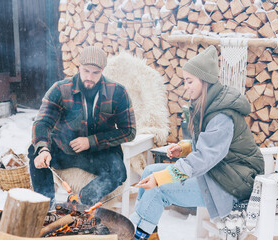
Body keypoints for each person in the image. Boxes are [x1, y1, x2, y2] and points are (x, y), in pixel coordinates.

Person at [130, 45, 264, 240]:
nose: (185, 86)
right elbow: (213, 145)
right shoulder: (209, 104)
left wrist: (163, 179)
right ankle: (148, 232)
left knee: (158, 187)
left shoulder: (221, 115)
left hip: (231, 184)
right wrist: (185, 148)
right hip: (219, 173)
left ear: (204, 81)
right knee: (149, 172)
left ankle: (138, 235)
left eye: (189, 81)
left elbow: (205, 157)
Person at [28, 46, 136, 207]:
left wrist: (91, 141)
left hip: (99, 153)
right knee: (34, 151)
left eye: (95, 73)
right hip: (63, 150)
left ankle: (80, 202)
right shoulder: (60, 89)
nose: (89, 77)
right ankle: (46, 207)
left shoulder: (118, 92)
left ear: (103, 70)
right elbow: (42, 123)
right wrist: (43, 149)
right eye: (86, 71)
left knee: (118, 172)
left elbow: (129, 131)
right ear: (79, 66)